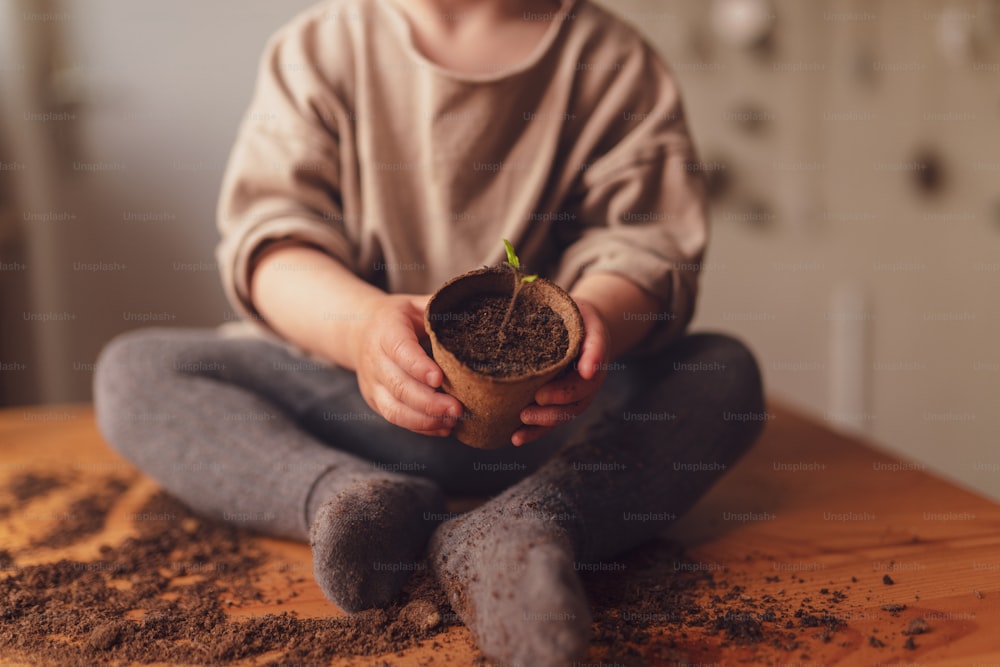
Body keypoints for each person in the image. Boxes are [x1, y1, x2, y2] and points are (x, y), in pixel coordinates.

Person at [94, 0, 766, 664]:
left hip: (552, 422)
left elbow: (647, 246)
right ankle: (349, 498)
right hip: (357, 405)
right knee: (136, 372)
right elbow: (272, 245)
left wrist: (597, 321)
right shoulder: (320, 50)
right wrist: (359, 328)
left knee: (722, 373)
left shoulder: (612, 63)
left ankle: (527, 521)